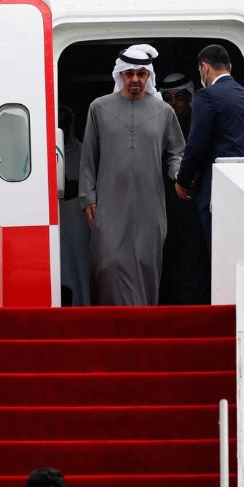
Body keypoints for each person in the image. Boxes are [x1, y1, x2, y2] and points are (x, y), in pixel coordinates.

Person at [79, 44, 185, 306]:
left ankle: (142, 331)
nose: (136, 79)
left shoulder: (164, 112)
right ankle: (111, 334)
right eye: (130, 74)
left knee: (145, 265)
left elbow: (176, 153)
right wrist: (87, 197)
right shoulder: (99, 108)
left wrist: (178, 173)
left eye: (141, 74)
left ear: (149, 76)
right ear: (120, 75)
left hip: (149, 205)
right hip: (108, 204)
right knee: (108, 264)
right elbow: (88, 157)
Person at [175, 44, 244, 251]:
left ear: (204, 68)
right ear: (230, 66)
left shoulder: (207, 96)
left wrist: (183, 180)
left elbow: (196, 145)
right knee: (242, 257)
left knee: (221, 257)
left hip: (219, 192)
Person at [158, 73, 210, 305]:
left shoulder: (199, 123)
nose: (174, 103)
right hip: (164, 201)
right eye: (168, 97)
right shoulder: (158, 124)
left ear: (189, 97)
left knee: (193, 254)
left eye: (179, 96)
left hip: (192, 199)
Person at [57, 105, 90, 306]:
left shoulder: (83, 150)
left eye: (66, 121)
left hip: (77, 220)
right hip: (57, 220)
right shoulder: (42, 153)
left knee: (80, 267)